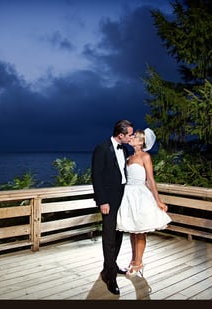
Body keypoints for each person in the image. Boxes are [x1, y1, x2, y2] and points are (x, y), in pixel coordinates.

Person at [116, 128, 172, 277]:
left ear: (141, 142)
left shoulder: (145, 157)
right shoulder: (128, 157)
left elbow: (150, 180)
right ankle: (133, 260)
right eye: (132, 136)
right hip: (128, 195)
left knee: (140, 232)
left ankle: (139, 263)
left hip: (140, 196)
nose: (132, 138)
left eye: (135, 137)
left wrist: (158, 201)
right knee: (133, 232)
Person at [91, 119, 134, 295]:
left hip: (122, 198)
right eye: (129, 135)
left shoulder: (124, 149)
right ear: (120, 134)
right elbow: (96, 176)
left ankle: (111, 266)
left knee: (118, 235)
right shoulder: (102, 148)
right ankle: (110, 277)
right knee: (109, 238)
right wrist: (102, 201)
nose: (130, 138)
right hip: (108, 200)